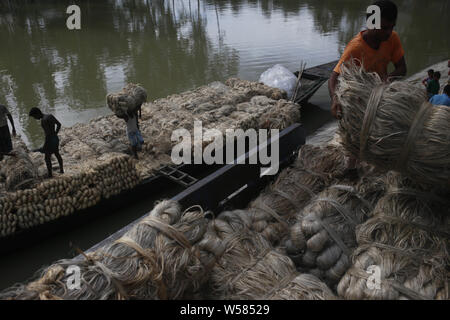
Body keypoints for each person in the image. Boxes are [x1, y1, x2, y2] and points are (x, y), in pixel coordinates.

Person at [328, 0, 407, 177]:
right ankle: (351, 169)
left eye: (391, 27)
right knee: (355, 136)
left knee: (381, 131)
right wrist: (335, 99)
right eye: (385, 28)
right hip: (359, 99)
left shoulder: (392, 39)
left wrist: (388, 79)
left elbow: (402, 68)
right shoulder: (356, 48)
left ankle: (376, 162)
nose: (389, 32)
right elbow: (334, 77)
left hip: (380, 94)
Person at [29, 107, 64, 178]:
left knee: (47, 158)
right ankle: (61, 170)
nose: (35, 118)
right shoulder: (50, 116)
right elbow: (59, 125)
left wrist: (45, 145)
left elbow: (48, 135)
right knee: (57, 153)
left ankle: (50, 175)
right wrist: (55, 134)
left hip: (50, 141)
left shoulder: (43, 121)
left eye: (34, 116)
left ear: (37, 113)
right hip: (55, 139)